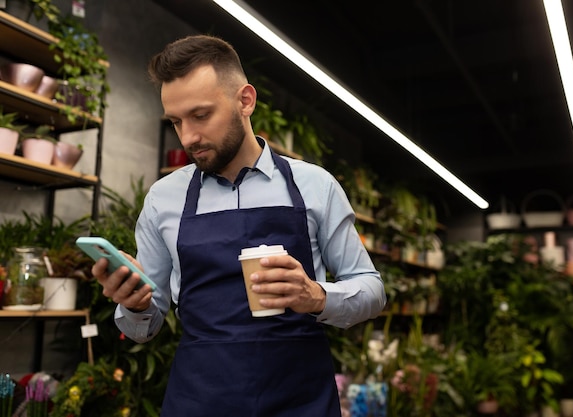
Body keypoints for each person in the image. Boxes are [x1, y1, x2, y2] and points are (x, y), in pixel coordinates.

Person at [92, 34, 386, 416]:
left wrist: (316, 296)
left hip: (302, 402)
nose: (189, 137)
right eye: (176, 122)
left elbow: (372, 289)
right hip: (200, 401)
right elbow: (142, 328)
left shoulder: (315, 186)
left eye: (201, 115)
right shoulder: (164, 200)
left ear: (245, 100)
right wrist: (133, 305)